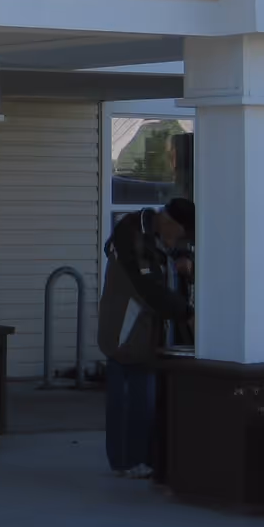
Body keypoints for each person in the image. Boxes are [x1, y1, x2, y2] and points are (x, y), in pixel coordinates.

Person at [96, 197, 194, 477]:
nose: (181, 241)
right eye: (182, 235)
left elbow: (169, 252)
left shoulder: (160, 235)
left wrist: (183, 256)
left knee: (148, 396)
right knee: (129, 395)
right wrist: (186, 313)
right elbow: (148, 285)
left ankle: (147, 458)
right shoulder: (132, 232)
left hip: (152, 332)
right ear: (169, 222)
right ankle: (127, 460)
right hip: (127, 329)